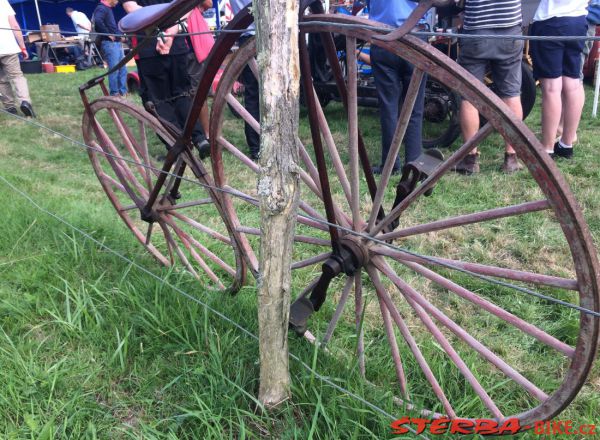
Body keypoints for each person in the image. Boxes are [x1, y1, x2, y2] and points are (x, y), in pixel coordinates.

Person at [120, 0, 209, 156]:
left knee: (158, 100)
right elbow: (186, 7)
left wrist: (161, 33)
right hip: (177, 45)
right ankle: (198, 137)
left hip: (148, 47)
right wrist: (170, 33)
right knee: (183, 93)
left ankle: (176, 146)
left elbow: (131, 8)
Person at [454, 0, 524, 174]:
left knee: (470, 96)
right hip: (510, 29)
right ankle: (511, 158)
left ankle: (470, 160)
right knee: (511, 94)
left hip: (477, 31)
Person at [367, 0, 427, 175]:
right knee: (415, 107)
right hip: (414, 38)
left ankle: (390, 163)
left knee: (388, 107)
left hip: (383, 39)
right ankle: (414, 162)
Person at [530, 0, 589, 160]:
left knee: (551, 88)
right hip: (578, 19)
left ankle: (547, 148)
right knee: (573, 84)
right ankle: (566, 145)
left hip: (550, 20)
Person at [230, 0, 260, 161]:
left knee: (253, 95)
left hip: (247, 36)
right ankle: (257, 147)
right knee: (256, 95)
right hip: (257, 34)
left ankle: (256, 147)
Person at [0, 0, 35, 117]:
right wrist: (23, 47)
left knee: (1, 79)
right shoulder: (3, 2)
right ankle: (25, 101)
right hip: (8, 47)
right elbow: (14, 25)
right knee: (17, 76)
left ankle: (9, 106)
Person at [187, 0, 215, 136]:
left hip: (193, 47)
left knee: (199, 93)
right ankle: (205, 133)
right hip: (191, 46)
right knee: (198, 93)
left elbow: (209, 3)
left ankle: (206, 133)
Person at [93, 0, 127, 96]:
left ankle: (122, 91)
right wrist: (108, 34)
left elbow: (112, 27)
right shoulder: (101, 8)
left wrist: (119, 36)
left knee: (123, 69)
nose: (117, 2)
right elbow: (97, 21)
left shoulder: (107, 9)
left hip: (115, 43)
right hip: (109, 43)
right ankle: (114, 93)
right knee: (114, 69)